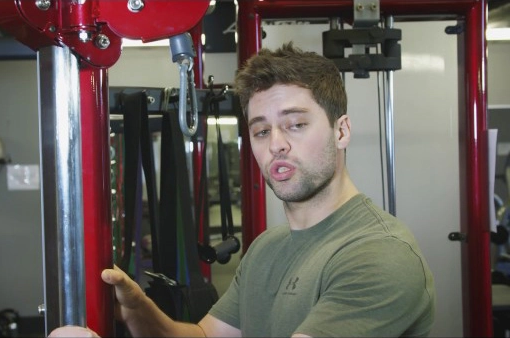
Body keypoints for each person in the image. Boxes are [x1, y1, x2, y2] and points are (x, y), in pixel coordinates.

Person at [49, 42, 436, 338]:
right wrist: (139, 310)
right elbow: (203, 336)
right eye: (262, 130)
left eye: (296, 124)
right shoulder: (268, 247)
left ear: (341, 130)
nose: (277, 144)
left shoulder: (380, 255)